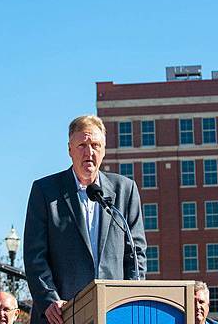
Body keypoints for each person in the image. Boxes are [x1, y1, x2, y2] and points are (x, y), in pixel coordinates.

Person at [23, 115, 147, 324]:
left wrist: (131, 300)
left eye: (95, 145)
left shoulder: (125, 190)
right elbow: (35, 256)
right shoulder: (45, 191)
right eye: (82, 145)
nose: (89, 152)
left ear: (104, 150)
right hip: (61, 314)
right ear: (70, 149)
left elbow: (136, 253)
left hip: (113, 313)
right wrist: (49, 300)